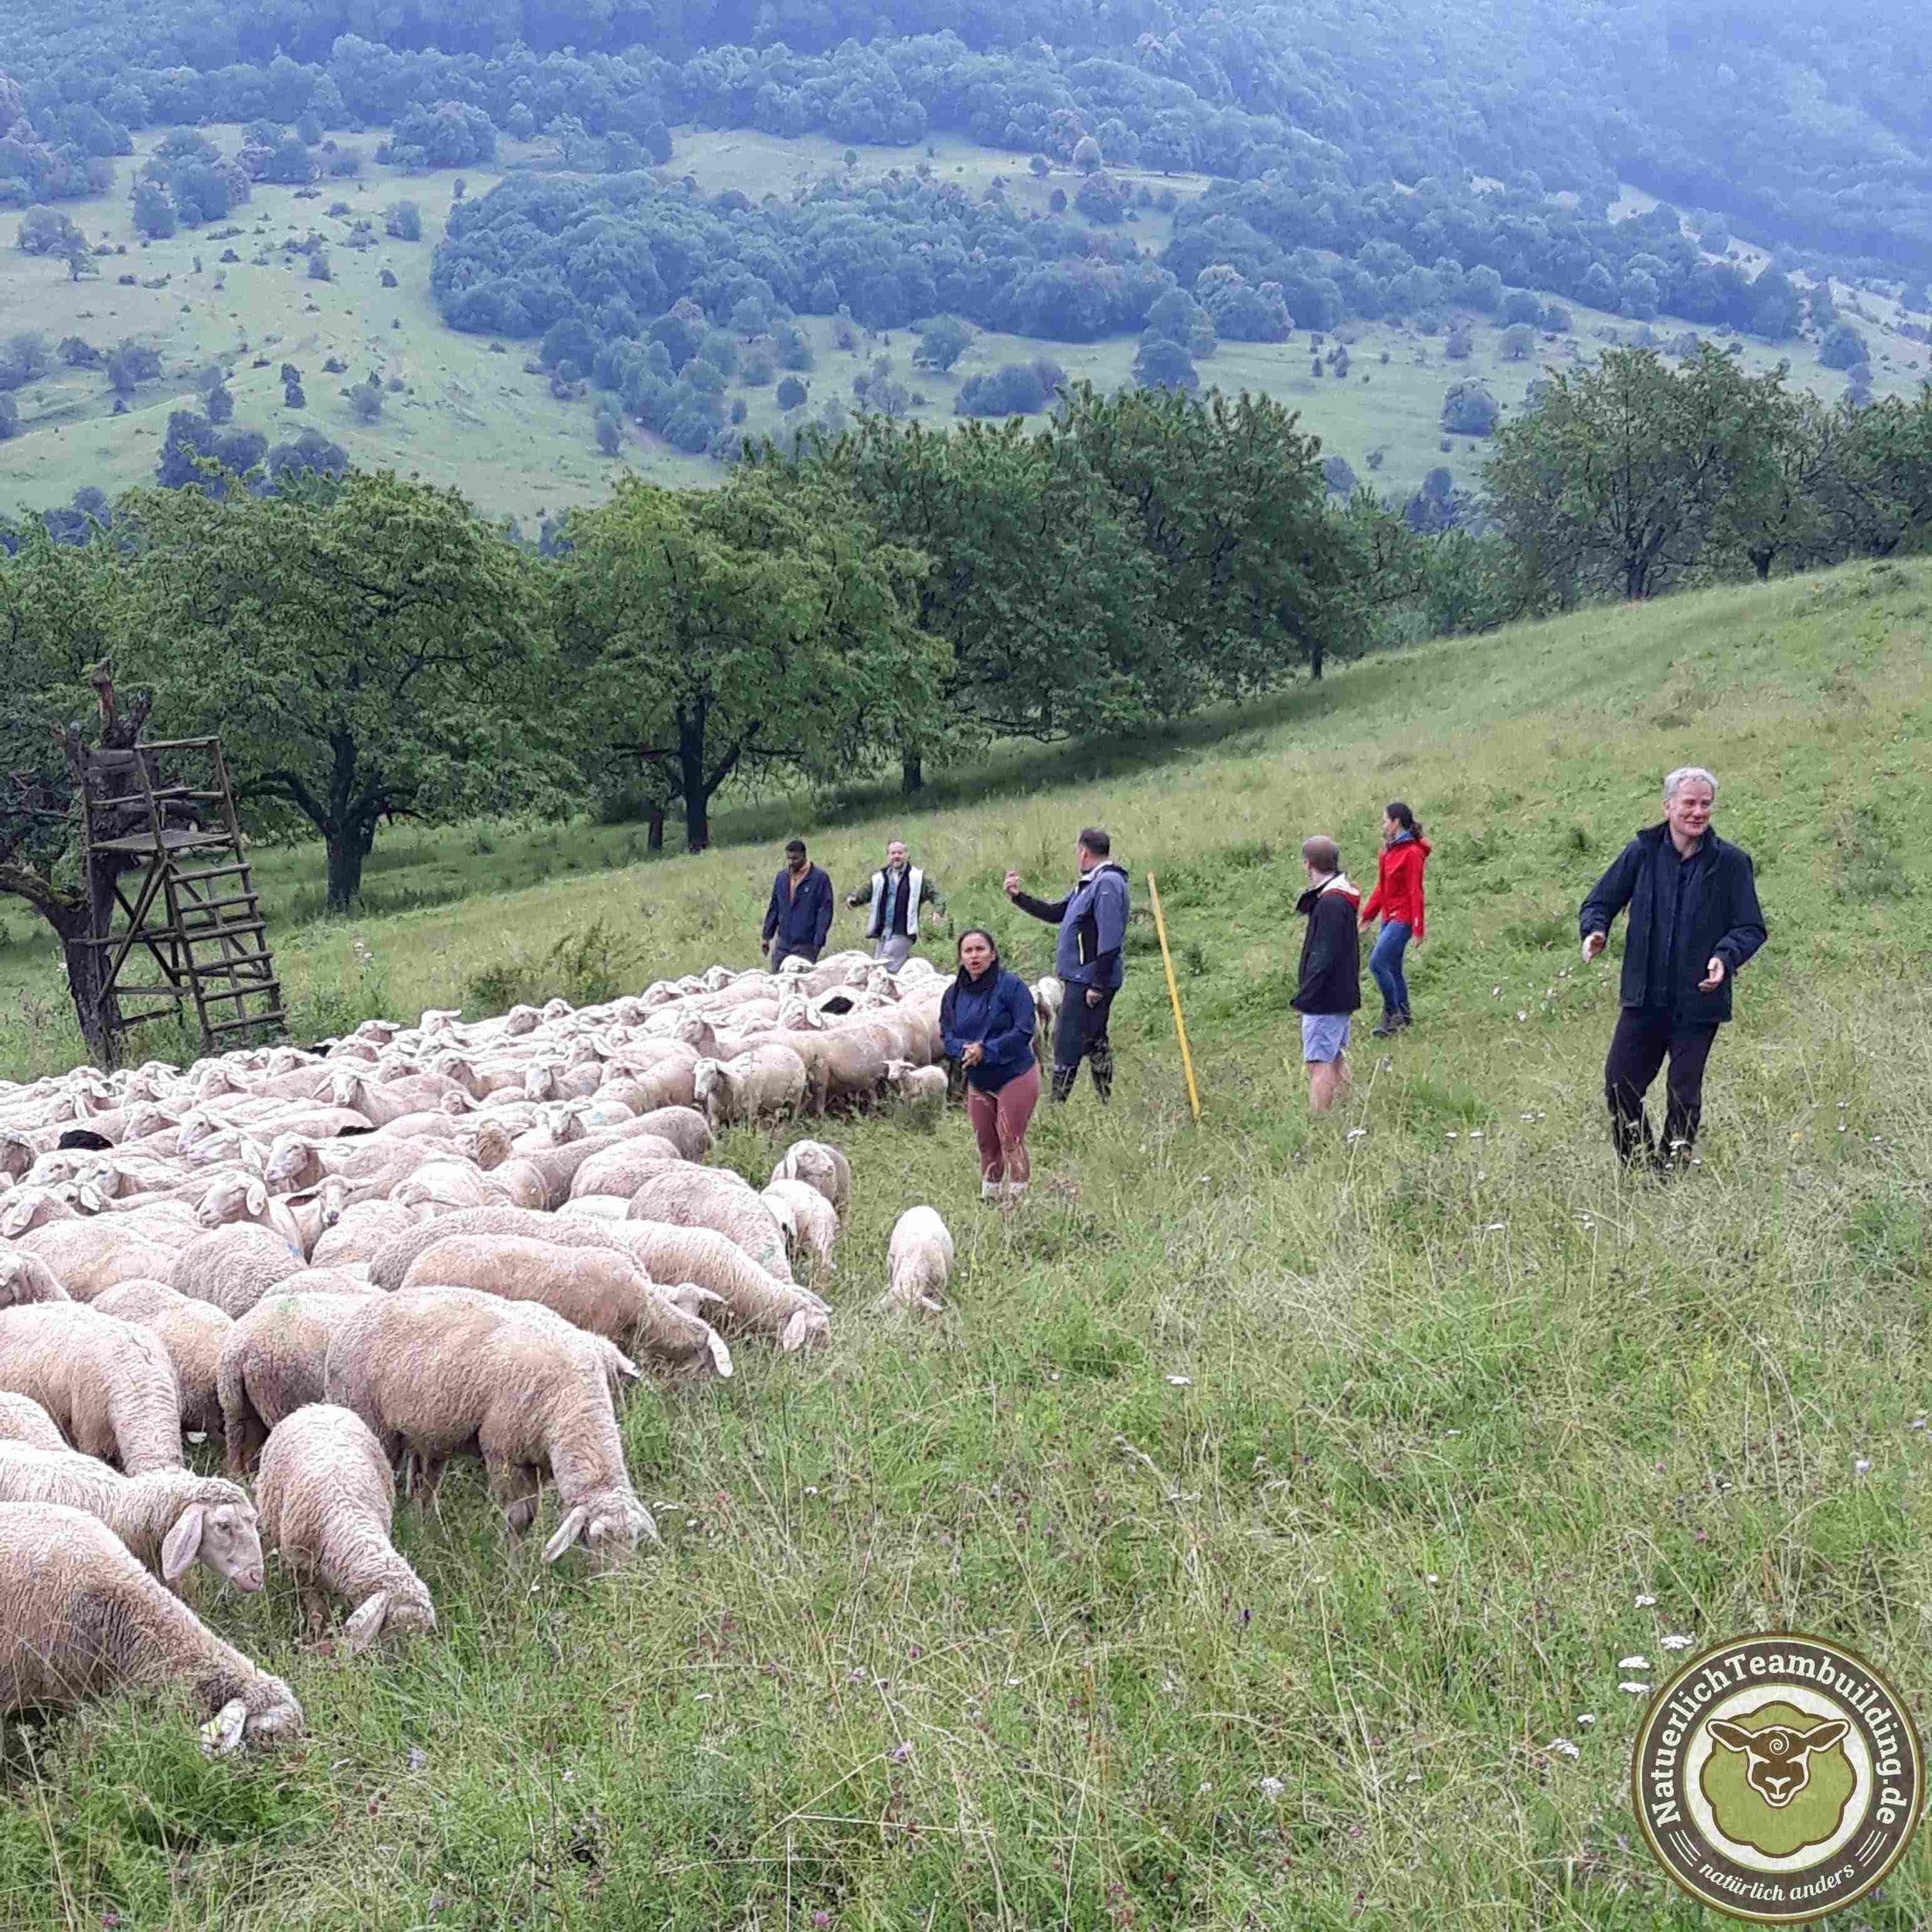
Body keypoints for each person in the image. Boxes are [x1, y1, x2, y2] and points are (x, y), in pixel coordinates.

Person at [1579, 766, 1767, 1172]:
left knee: (1683, 1092)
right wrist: (1595, 931)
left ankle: (1674, 1168)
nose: (1698, 812)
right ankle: (1640, 1165)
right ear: (1668, 807)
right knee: (1619, 1083)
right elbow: (1599, 902)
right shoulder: (1642, 852)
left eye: (1706, 804)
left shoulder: (1731, 863)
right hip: (1644, 995)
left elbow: (1751, 926)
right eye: (1690, 803)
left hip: (1699, 998)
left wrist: (1725, 955)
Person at [1005, 826, 1131, 1103]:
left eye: (1077, 851)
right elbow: (1057, 912)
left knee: (1068, 1039)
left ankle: (1058, 1106)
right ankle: (1104, 1100)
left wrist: (1097, 983)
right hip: (1081, 977)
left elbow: (1110, 936)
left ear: (1083, 851)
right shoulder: (1088, 883)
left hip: (1088, 979)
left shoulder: (1107, 883)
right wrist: (1018, 897)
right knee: (1093, 1038)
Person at [939, 928, 1040, 1203]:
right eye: (968, 951)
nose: (974, 956)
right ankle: (990, 1201)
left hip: (1014, 1073)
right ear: (961, 957)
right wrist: (964, 1050)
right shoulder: (953, 995)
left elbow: (1024, 1030)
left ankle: (1018, 1203)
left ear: (993, 954)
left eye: (980, 949)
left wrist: (986, 1050)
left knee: (1010, 1139)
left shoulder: (1012, 987)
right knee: (986, 1143)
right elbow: (946, 1034)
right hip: (979, 1078)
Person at [1292, 835, 1362, 1114]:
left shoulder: (1331, 903)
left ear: (1308, 865)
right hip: (1340, 992)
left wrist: (1307, 994)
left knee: (1318, 1062)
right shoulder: (1337, 897)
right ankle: (1347, 1110)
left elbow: (1324, 954)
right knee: (1334, 1057)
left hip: (1325, 996)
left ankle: (1320, 1120)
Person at [1359, 801, 1430, 1038]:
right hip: (1388, 918)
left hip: (1403, 919)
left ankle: (1391, 1013)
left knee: (1377, 964)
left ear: (1396, 822)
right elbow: (1383, 887)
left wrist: (1419, 927)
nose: (1383, 825)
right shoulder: (1388, 851)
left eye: (1385, 820)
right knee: (1393, 967)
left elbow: (1415, 890)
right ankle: (1404, 1014)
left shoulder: (1412, 854)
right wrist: (1369, 915)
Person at [845, 838, 946, 971]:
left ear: (906, 855)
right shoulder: (880, 878)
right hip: (883, 932)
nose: (896, 856)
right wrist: (854, 900)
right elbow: (867, 892)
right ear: (888, 856)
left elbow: (936, 896)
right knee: (879, 969)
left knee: (883, 969)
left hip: (903, 931)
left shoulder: (916, 878)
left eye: (900, 853)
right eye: (893, 853)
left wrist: (938, 911)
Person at [760, 838, 834, 971]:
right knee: (776, 980)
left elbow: (825, 912)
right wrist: (766, 936)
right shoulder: (782, 877)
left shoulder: (819, 878)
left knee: (801, 984)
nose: (791, 862)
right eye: (788, 858)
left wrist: (818, 942)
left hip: (806, 944)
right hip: (783, 943)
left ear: (804, 856)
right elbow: (774, 907)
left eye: (795, 858)